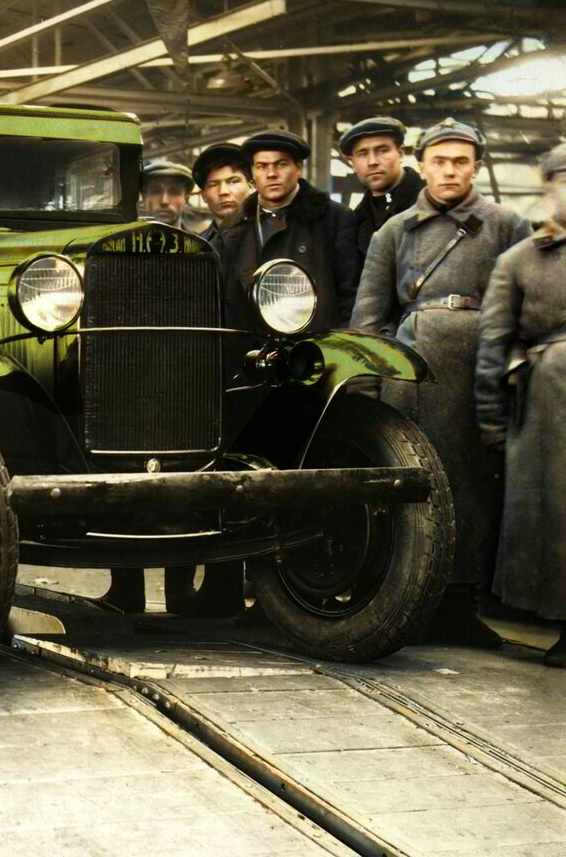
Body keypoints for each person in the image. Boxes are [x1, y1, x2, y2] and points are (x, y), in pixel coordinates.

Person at [351, 117, 532, 646]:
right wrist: (370, 392)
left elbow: (525, 307)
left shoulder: (506, 224)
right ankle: (411, 601)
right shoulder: (394, 231)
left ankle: (462, 607)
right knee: (414, 485)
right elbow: (368, 317)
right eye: (439, 161)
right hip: (414, 372)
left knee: (476, 486)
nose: (449, 171)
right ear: (421, 165)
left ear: (476, 166)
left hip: (483, 370)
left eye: (460, 161)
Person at [475, 142, 566, 666]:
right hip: (550, 403)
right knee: (555, 516)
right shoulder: (521, 259)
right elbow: (493, 342)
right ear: (548, 187)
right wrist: (491, 423)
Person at [216, 130, 359, 330]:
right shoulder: (232, 229)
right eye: (261, 166)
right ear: (252, 173)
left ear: (298, 168)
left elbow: (350, 295)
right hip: (252, 351)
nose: (271, 174)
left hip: (314, 347)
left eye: (281, 164)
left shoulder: (334, 218)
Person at [339, 116, 424, 264]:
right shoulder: (354, 220)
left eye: (382, 150)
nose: (372, 162)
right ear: (352, 163)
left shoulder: (430, 203)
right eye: (362, 154)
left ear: (401, 153)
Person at [192, 143, 252, 243]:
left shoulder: (270, 233)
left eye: (233, 182)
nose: (223, 192)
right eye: (213, 185)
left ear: (251, 186)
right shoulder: (199, 247)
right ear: (203, 195)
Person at [141, 159, 193, 227]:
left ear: (186, 199)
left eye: (174, 192)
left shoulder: (200, 238)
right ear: (144, 198)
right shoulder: (126, 237)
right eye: (156, 191)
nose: (164, 201)